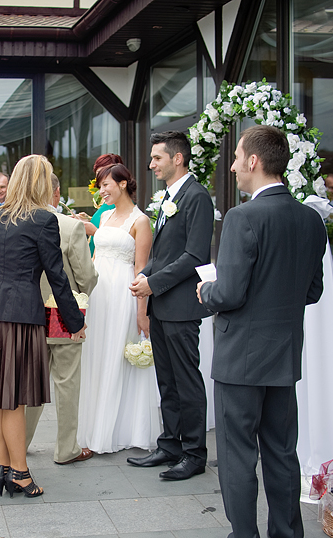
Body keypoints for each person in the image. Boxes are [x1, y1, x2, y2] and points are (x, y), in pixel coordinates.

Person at [196, 125, 326, 538]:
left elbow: (229, 293)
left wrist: (205, 293)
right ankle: (288, 537)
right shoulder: (310, 219)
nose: (231, 166)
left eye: (235, 157)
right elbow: (313, 291)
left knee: (236, 453)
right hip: (284, 355)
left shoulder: (242, 217)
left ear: (253, 161)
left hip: (239, 359)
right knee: (281, 449)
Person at [0, 154, 86, 498]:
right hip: (20, 317)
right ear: (41, 183)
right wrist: (74, 321)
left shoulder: (1, 215)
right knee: (15, 400)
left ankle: (4, 465)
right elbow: (57, 276)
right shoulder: (43, 219)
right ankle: (19, 473)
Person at [128, 130, 214, 481]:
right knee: (166, 379)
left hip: (181, 306)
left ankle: (194, 454)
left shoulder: (197, 198)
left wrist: (153, 283)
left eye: (157, 158)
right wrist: (144, 275)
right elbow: (164, 253)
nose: (151, 165)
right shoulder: (167, 197)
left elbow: (194, 255)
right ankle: (170, 444)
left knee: (186, 381)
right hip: (161, 304)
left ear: (178, 158)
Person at [77, 163, 161, 454]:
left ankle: (118, 429)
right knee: (96, 355)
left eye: (106, 185)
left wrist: (142, 312)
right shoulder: (107, 215)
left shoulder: (140, 221)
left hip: (123, 294)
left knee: (117, 355)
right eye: (100, 186)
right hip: (99, 294)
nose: (101, 192)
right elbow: (96, 255)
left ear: (123, 184)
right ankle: (93, 425)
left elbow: (141, 270)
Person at [24, 173, 98, 465]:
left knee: (32, 382)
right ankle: (66, 448)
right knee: (66, 382)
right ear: (55, 194)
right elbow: (86, 275)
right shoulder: (69, 226)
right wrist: (82, 295)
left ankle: (23, 441)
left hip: (30, 315)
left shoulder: (19, 223)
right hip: (64, 315)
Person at [80, 154, 124, 254]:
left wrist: (94, 231)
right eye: (98, 174)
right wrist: (87, 220)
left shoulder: (119, 204)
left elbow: (120, 240)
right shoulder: (106, 201)